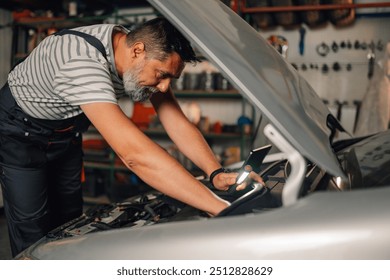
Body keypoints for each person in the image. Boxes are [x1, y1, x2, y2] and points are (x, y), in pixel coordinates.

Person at [0, 18, 261, 257]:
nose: (164, 87)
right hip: (19, 133)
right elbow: (134, 155)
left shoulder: (133, 47)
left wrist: (215, 173)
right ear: (137, 50)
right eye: (162, 75)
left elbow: (176, 120)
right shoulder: (80, 62)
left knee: (69, 225)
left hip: (66, 132)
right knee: (32, 232)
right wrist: (219, 207)